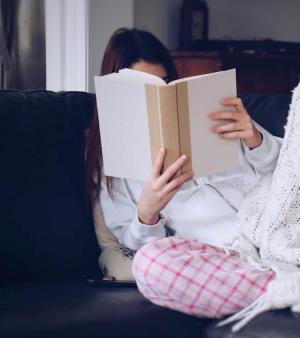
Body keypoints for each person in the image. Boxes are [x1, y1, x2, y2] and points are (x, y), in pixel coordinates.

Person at [85, 28, 281, 317]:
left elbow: (289, 172)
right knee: (151, 265)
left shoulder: (220, 116)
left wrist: (256, 140)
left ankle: (283, 282)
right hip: (222, 259)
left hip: (277, 224)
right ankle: (280, 286)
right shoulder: (111, 163)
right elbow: (134, 245)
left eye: (164, 82)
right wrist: (147, 215)